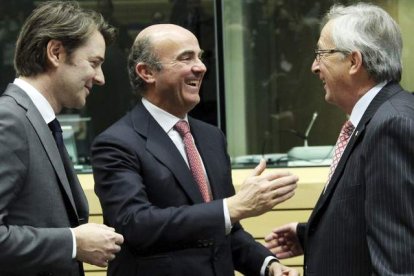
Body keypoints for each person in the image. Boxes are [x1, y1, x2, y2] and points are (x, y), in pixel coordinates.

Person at [91, 23, 299, 276]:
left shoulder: (211, 137)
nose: (201, 67)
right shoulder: (117, 142)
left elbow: (224, 228)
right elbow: (134, 225)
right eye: (186, 58)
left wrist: (267, 265)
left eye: (199, 56)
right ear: (146, 72)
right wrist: (231, 208)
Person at [264, 3, 414, 275]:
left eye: (321, 54)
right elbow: (373, 213)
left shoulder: (391, 124)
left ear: (354, 61)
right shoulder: (380, 116)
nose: (313, 67)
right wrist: (310, 234)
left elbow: (399, 254)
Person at [0, 2, 124, 275]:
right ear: (55, 52)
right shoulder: (9, 121)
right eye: (94, 63)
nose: (101, 78)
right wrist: (72, 243)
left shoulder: (36, 122)